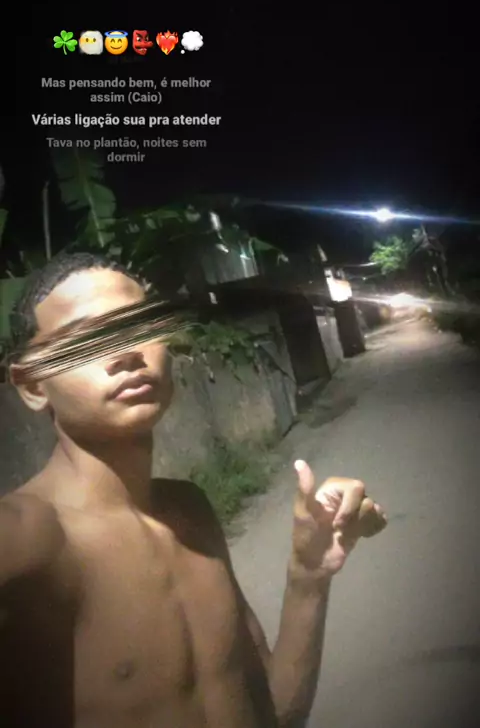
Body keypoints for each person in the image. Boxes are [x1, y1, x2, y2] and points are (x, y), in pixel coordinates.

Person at [0, 252, 387, 727]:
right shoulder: (26, 540)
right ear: (33, 386)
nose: (126, 352)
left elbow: (274, 711)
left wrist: (309, 576)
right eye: (86, 339)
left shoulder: (189, 510)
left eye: (139, 326)